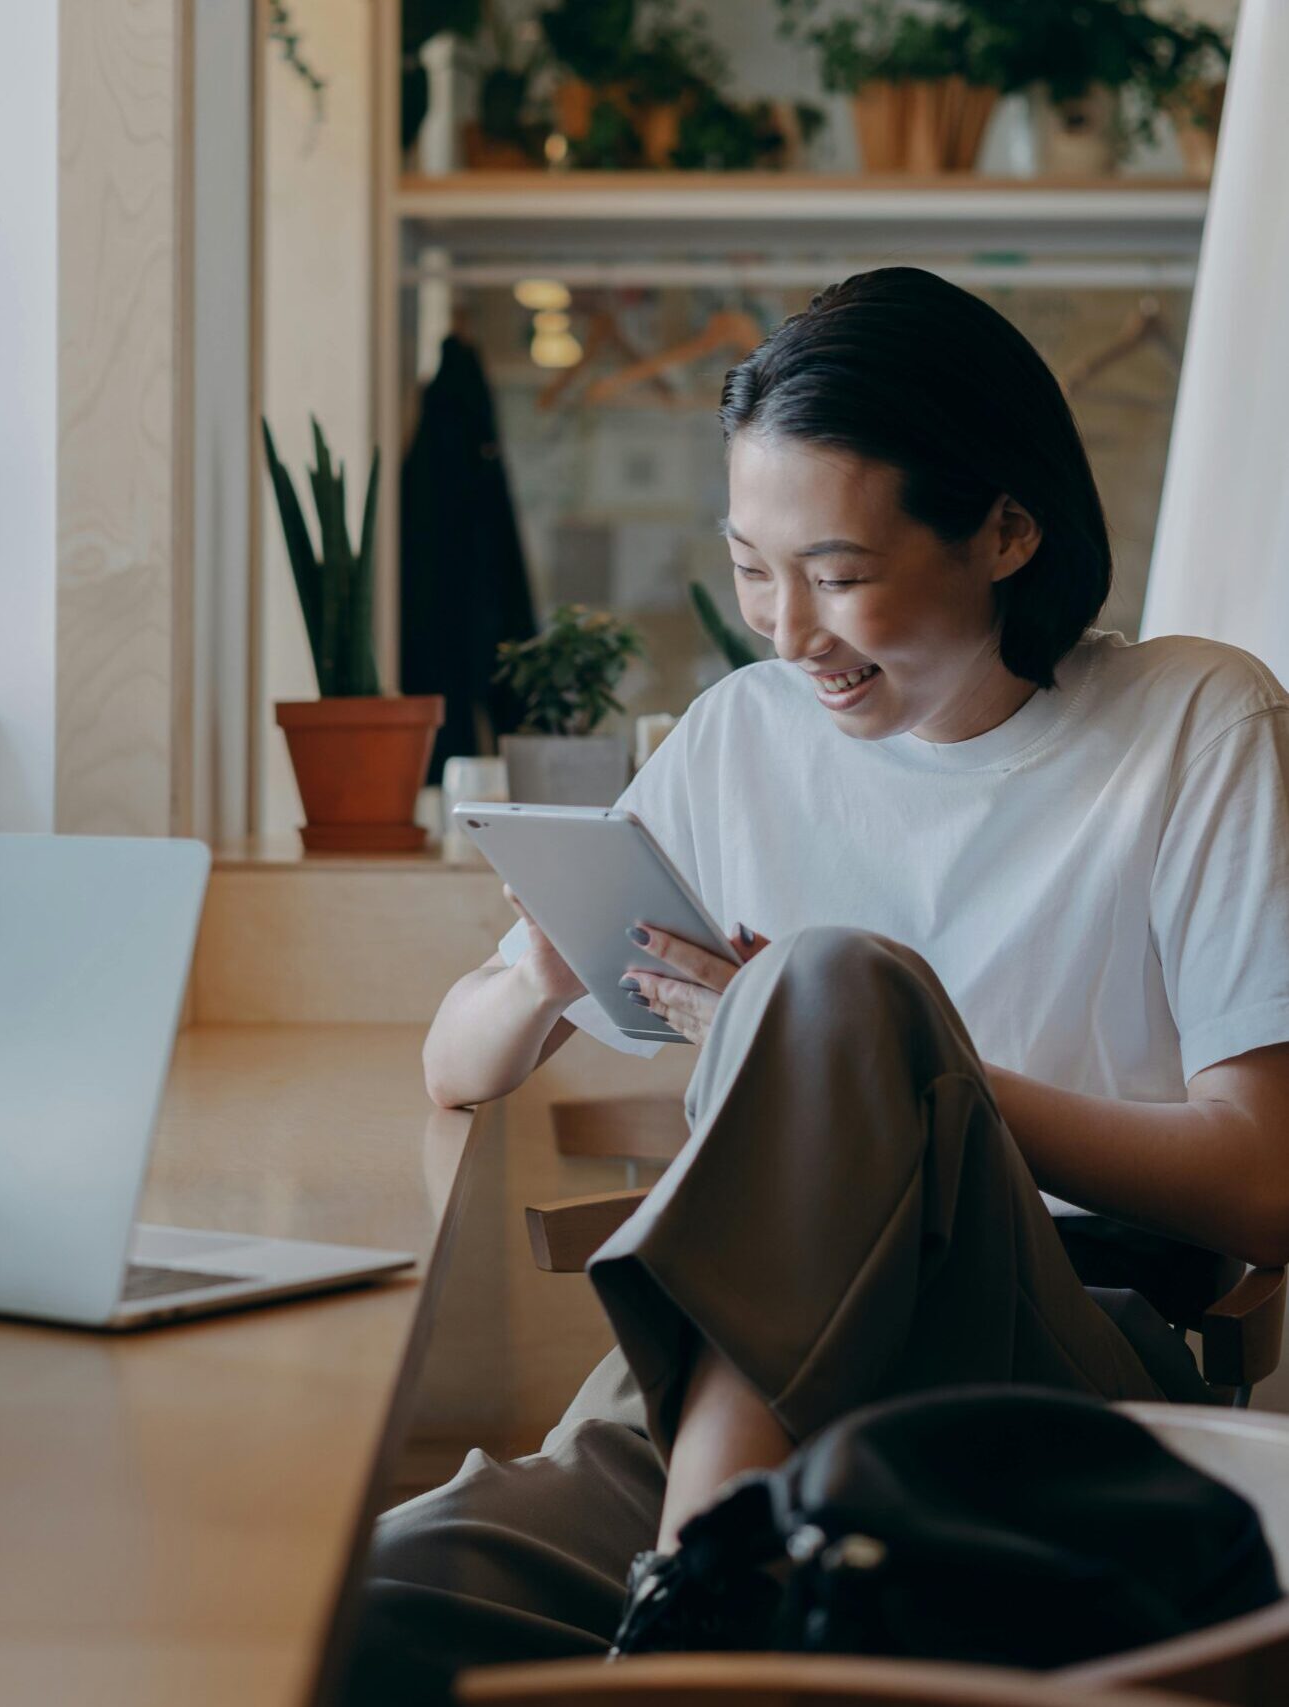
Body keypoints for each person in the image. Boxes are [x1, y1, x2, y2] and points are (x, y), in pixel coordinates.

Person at [335, 267, 1289, 1706]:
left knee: (835, 983)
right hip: (730, 1351)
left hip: (1034, 1377)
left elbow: (1266, 1183)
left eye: (838, 576)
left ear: (1008, 531)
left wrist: (882, 1066)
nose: (787, 632)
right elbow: (459, 1066)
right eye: (750, 569)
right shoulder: (738, 739)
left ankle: (704, 1597)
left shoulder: (1195, 723)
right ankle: (714, 1573)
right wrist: (544, 959)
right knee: (357, 1612)